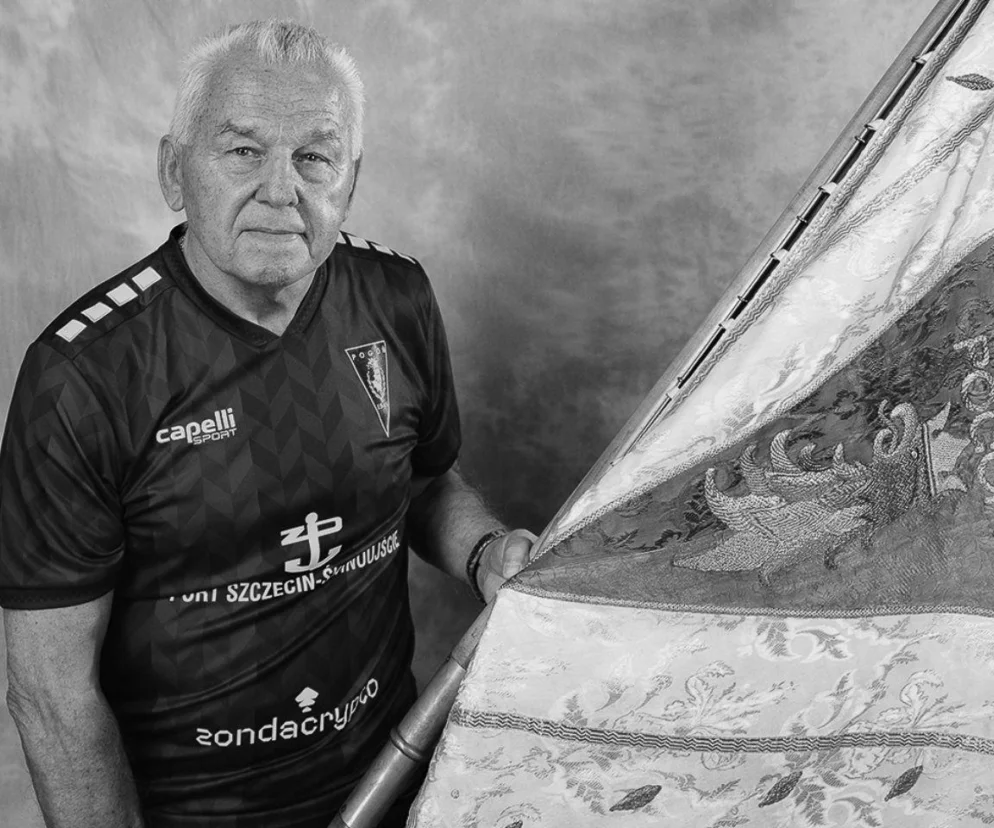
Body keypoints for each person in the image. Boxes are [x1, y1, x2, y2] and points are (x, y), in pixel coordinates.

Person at [0, 19, 535, 828]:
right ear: (174, 171)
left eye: (314, 157)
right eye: (244, 151)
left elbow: (424, 483)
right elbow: (50, 693)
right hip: (194, 812)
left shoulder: (395, 298)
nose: (281, 191)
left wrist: (486, 553)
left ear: (350, 180)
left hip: (398, 776)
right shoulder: (84, 375)